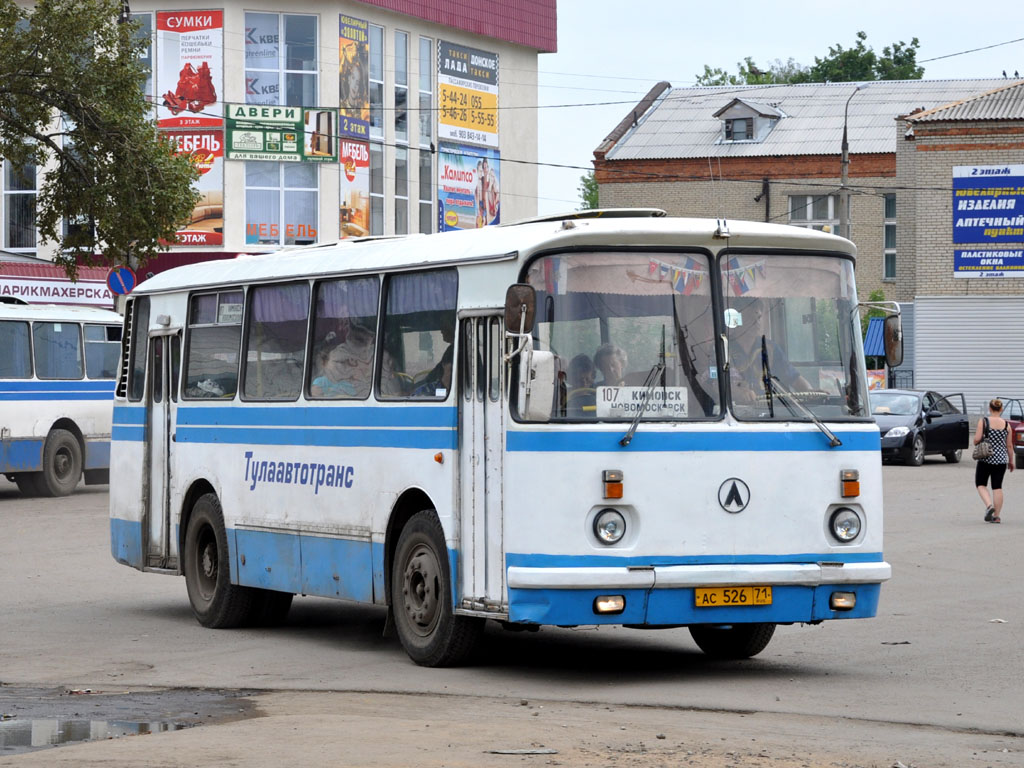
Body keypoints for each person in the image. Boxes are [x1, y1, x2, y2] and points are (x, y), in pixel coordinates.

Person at [728, 300, 812, 403]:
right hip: (736, 414)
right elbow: (715, 385)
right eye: (750, 318)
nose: (756, 323)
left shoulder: (770, 348)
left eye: (758, 318)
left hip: (771, 413)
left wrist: (810, 392)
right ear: (737, 320)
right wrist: (737, 392)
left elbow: (794, 378)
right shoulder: (722, 348)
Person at [974, 398, 1014, 523]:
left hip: (986, 458)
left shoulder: (984, 421)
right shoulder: (1007, 425)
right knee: (997, 487)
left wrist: (979, 441)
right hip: (1001, 460)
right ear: (1001, 409)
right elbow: (1009, 446)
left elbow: (976, 439)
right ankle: (996, 516)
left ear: (990, 409)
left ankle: (989, 505)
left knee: (980, 484)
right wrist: (1011, 461)